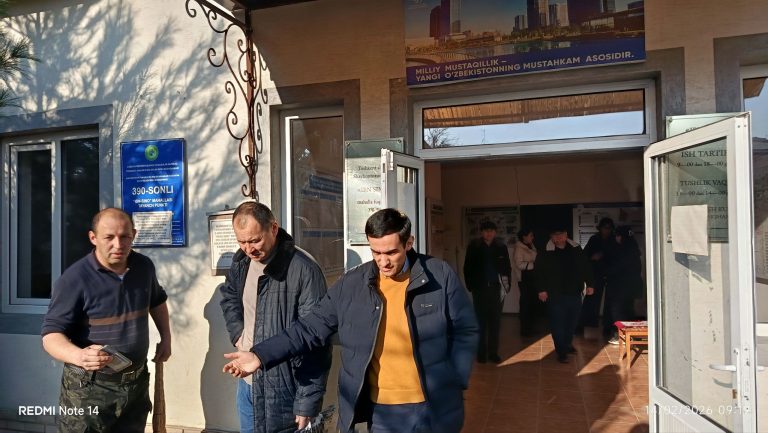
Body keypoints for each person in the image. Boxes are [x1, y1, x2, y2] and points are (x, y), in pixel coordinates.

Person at [221, 208, 478, 433]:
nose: (383, 261)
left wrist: (455, 376)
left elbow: (466, 328)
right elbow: (309, 328)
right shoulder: (353, 284)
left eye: (391, 252)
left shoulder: (439, 275)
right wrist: (260, 355)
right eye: (375, 252)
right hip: (382, 410)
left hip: (432, 405)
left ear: (408, 243)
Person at [41, 208, 171, 433]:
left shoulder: (144, 267)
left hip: (136, 385)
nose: (118, 245)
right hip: (89, 389)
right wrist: (80, 356)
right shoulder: (74, 279)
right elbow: (51, 336)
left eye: (125, 236)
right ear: (93, 238)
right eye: (109, 237)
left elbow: (157, 301)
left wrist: (166, 337)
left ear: (134, 235)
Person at [219, 201, 330, 433]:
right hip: (248, 386)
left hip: (285, 390)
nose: (248, 249)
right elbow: (229, 296)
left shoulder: (304, 270)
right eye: (241, 242)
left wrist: (307, 402)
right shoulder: (241, 263)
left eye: (255, 240)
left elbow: (317, 340)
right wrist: (238, 333)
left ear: (273, 228)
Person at [536, 225, 594, 363]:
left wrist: (590, 284)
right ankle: (561, 351)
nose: (558, 237)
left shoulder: (576, 248)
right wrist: (541, 290)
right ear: (551, 237)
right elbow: (538, 272)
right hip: (554, 294)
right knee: (557, 324)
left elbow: (585, 267)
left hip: (575, 292)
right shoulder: (545, 251)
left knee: (572, 323)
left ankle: (567, 345)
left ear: (566, 234)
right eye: (555, 235)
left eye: (561, 234)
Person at [463, 220, 512, 363]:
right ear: (481, 232)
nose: (489, 233)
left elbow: (507, 268)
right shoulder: (474, 246)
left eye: (491, 231)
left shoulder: (501, 247)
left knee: (495, 322)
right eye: (486, 231)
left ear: (495, 232)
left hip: (497, 288)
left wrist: (507, 286)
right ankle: (481, 353)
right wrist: (471, 286)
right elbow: (467, 267)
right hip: (480, 289)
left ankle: (493, 353)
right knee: (480, 322)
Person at [604, 226, 644, 344]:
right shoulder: (633, 249)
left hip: (620, 287)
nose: (616, 238)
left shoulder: (623, 251)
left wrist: (606, 272)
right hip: (630, 287)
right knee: (628, 310)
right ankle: (629, 335)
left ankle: (620, 336)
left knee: (618, 311)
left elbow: (616, 268)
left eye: (618, 235)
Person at [580, 217, 616, 337]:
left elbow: (617, 255)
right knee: (592, 297)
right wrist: (593, 257)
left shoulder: (614, 240)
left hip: (611, 273)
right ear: (600, 228)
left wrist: (604, 255)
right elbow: (585, 255)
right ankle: (584, 323)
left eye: (609, 228)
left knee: (611, 300)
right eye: (605, 228)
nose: (607, 230)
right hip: (596, 272)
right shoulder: (594, 239)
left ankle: (608, 326)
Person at [513, 227, 538, 337]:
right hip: (524, 279)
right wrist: (534, 265)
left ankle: (530, 328)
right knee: (525, 304)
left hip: (532, 278)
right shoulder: (519, 248)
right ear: (524, 237)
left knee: (532, 303)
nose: (532, 237)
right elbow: (519, 264)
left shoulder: (531, 246)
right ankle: (525, 330)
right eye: (530, 235)